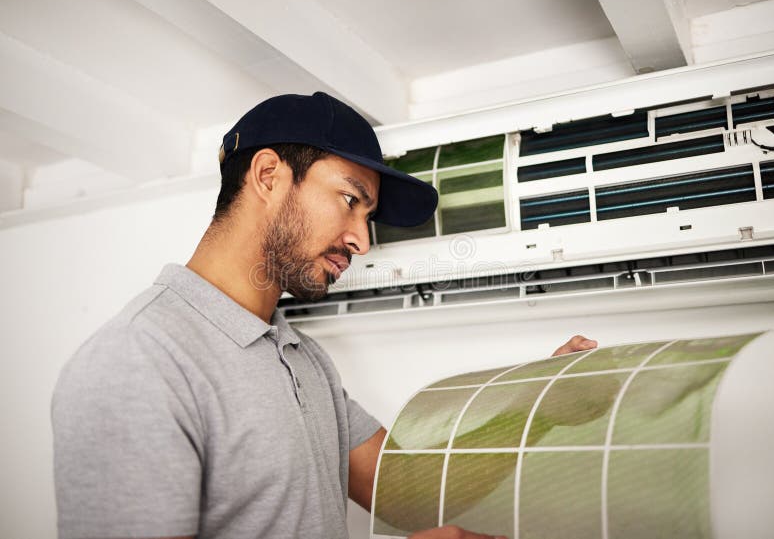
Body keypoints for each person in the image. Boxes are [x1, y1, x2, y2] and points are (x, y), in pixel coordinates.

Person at [51, 91, 597, 539]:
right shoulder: (137, 362)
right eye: (350, 200)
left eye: (368, 215)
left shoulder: (302, 359)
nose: (362, 240)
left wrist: (541, 405)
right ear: (268, 175)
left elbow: (413, 491)